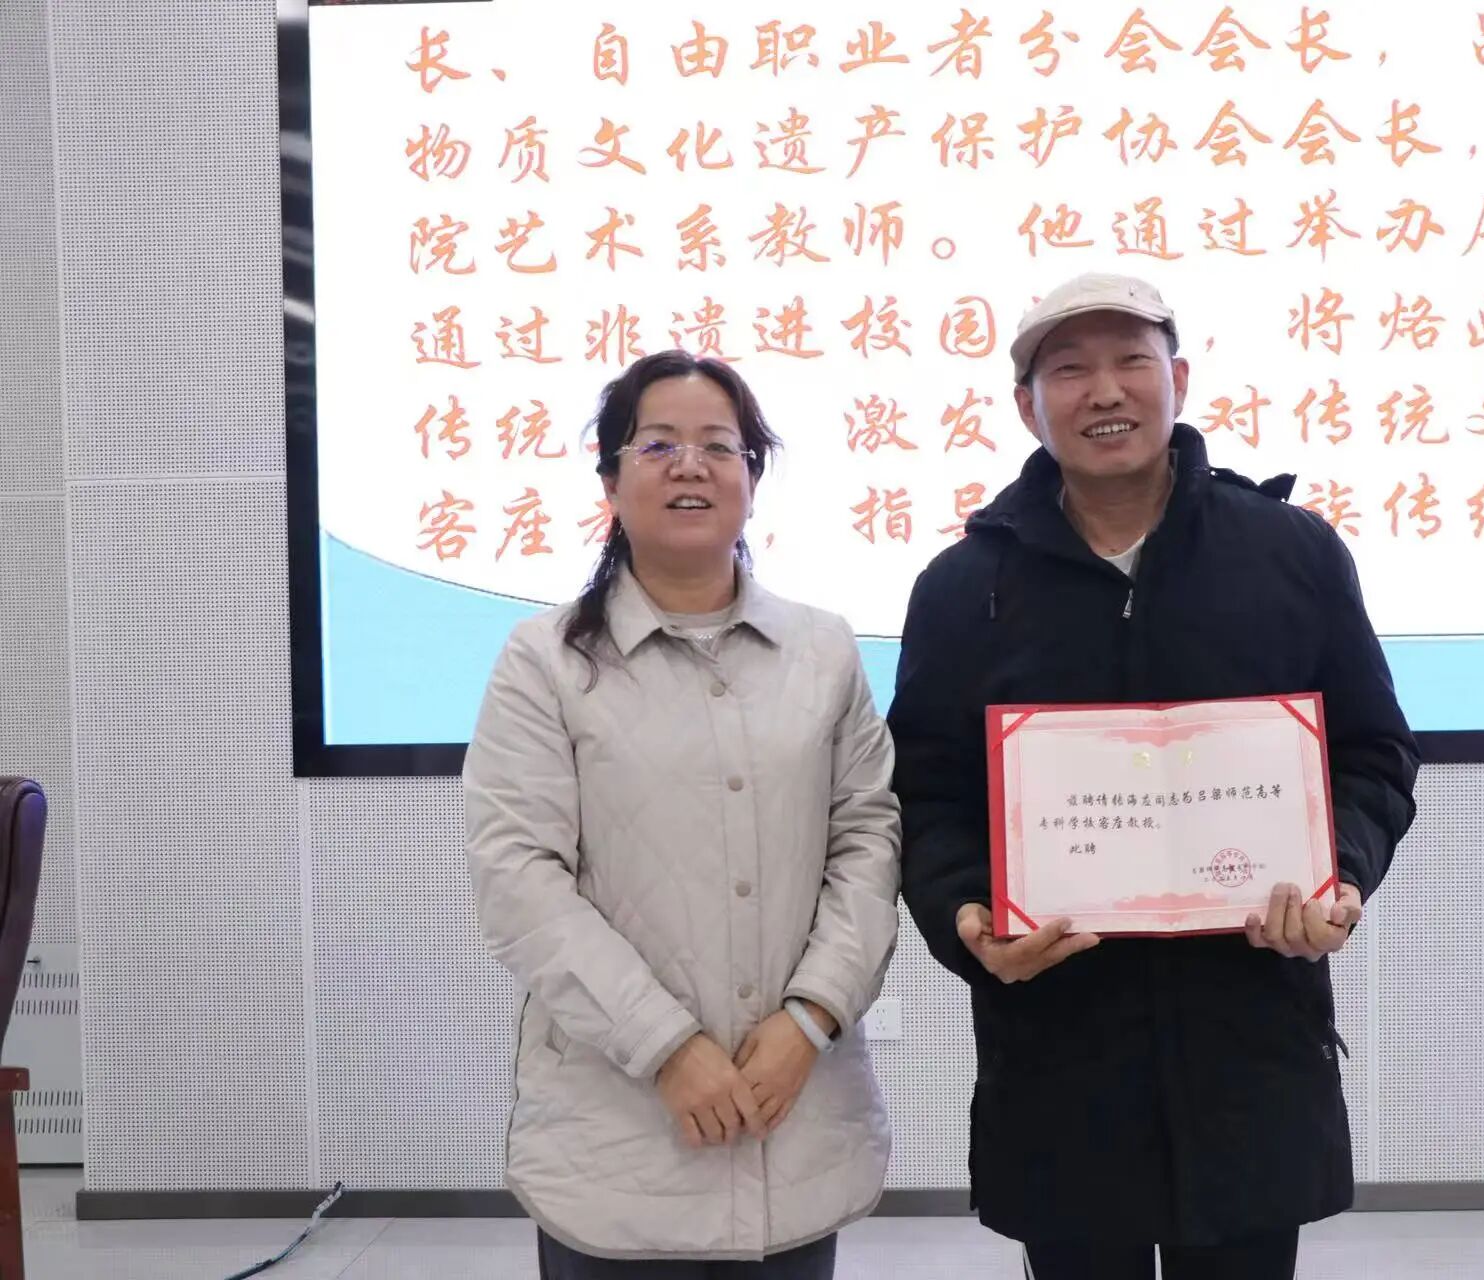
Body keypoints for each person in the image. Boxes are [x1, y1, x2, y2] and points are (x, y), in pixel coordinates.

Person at [888, 273, 1419, 1279]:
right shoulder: (964, 588)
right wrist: (967, 917)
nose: (1105, 390)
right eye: (1069, 369)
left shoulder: (1291, 552)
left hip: (1249, 1038)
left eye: (1131, 359)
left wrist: (1341, 874)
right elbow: (927, 793)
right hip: (1061, 1048)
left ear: (1178, 378)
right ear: (1026, 406)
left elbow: (1373, 752)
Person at [464, 351, 901, 1277]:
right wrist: (667, 1048)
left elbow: (868, 840)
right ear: (609, 481)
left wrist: (811, 1017)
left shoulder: (823, 651)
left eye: (719, 446)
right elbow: (519, 879)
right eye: (658, 444)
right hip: (616, 1138)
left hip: (794, 1115)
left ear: (753, 476)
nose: (690, 465)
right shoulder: (544, 661)